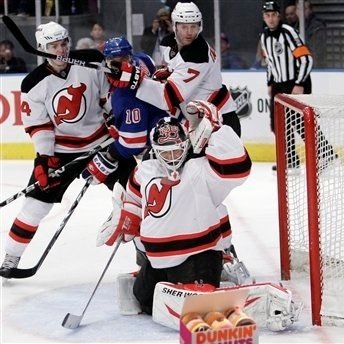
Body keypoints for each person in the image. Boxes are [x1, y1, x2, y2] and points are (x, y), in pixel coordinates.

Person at [0, 22, 136, 278]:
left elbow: (108, 97)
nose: (60, 50)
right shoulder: (33, 83)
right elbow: (40, 126)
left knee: (135, 194)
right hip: (63, 151)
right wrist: (43, 159)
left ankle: (150, 256)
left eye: (63, 44)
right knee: (35, 205)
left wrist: (116, 121)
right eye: (53, 46)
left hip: (103, 145)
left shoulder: (91, 62)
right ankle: (11, 257)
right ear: (42, 49)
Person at [105, 102, 252, 315]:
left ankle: (220, 271)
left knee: (192, 304)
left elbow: (239, 168)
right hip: (158, 258)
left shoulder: (201, 168)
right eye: (165, 152)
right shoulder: (146, 169)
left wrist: (216, 129)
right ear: (155, 150)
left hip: (197, 253)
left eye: (177, 149)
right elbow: (135, 197)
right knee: (145, 301)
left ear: (187, 143)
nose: (172, 156)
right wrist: (128, 218)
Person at [108, 1, 241, 138]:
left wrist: (134, 79)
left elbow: (168, 98)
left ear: (199, 27)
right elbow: (176, 68)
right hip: (197, 119)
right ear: (175, 26)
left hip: (220, 120)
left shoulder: (197, 55)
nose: (189, 32)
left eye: (193, 27)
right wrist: (169, 72)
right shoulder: (168, 42)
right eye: (184, 27)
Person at [94, 36, 173, 248]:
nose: (121, 64)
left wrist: (109, 155)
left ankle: (152, 260)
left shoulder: (125, 96)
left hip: (156, 155)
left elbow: (133, 144)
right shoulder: (143, 59)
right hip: (171, 136)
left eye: (124, 59)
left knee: (151, 209)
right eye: (114, 61)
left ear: (130, 56)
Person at [260, 0, 335, 173]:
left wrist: (299, 83)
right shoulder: (264, 36)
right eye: (267, 15)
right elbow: (270, 63)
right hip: (279, 85)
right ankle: (291, 161)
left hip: (296, 82)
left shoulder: (288, 32)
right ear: (264, 18)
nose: (271, 19)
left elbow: (306, 58)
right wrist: (270, 83)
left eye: (273, 15)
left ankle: (326, 154)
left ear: (278, 16)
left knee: (301, 123)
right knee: (277, 124)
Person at [295, 0, 327, 68]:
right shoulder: (296, 26)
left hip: (314, 65)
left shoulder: (317, 26)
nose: (301, 12)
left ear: (310, 10)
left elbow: (317, 49)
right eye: (299, 9)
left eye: (305, 9)